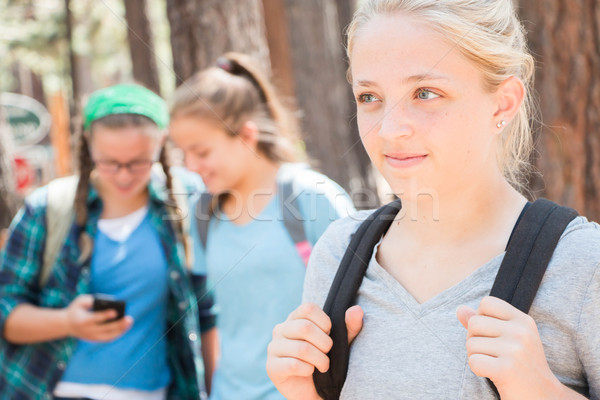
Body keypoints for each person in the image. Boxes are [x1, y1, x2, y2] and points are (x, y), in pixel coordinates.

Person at [266, 1, 600, 399]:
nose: (389, 130)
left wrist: (544, 391)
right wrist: (304, 393)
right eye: (369, 96)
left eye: (425, 93)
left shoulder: (581, 264)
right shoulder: (339, 255)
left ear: (503, 103)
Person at [0, 84, 218, 400]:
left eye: (139, 162)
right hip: (49, 390)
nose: (124, 176)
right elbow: (6, 310)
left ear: (161, 143)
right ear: (88, 145)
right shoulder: (47, 208)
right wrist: (66, 322)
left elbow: (207, 312)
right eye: (109, 162)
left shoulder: (187, 199)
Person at [168, 52, 356, 400]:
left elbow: (362, 308)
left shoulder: (312, 197)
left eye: (202, 151)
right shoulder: (202, 213)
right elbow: (213, 319)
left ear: (246, 135)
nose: (191, 166)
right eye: (183, 153)